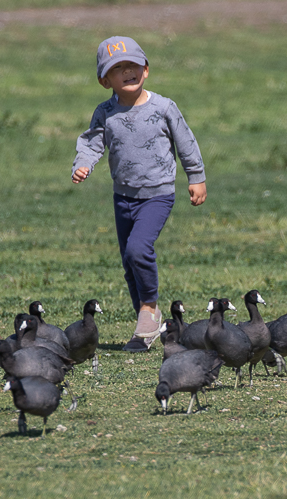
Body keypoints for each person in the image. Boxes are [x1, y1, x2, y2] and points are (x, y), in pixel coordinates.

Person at [71, 36, 207, 352]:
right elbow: (91, 143)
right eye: (118, 69)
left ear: (145, 70)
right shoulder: (105, 112)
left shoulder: (163, 108)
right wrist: (84, 164)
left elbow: (186, 142)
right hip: (123, 196)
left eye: (133, 65)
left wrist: (196, 177)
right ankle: (146, 327)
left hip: (158, 194)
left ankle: (149, 306)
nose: (127, 72)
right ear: (106, 81)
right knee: (129, 262)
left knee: (138, 249)